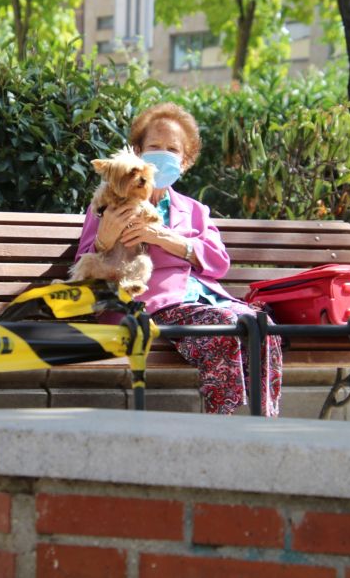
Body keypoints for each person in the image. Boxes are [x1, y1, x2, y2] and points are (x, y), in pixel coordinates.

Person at [75, 102, 282, 416]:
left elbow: (218, 261)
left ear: (184, 162)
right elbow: (84, 264)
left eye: (172, 149)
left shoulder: (194, 209)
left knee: (263, 325)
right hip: (148, 304)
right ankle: (221, 426)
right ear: (138, 153)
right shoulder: (111, 203)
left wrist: (165, 239)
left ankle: (263, 425)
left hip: (203, 300)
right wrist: (106, 236)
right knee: (223, 328)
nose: (162, 155)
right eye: (154, 146)